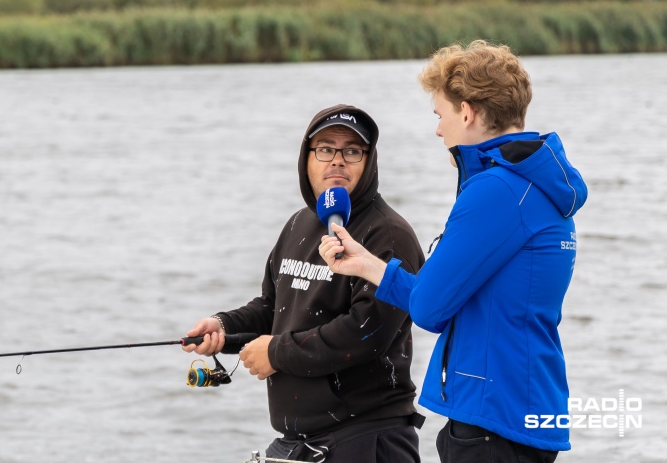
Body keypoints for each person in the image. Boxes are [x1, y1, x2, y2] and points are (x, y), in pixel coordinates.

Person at [319, 40, 587, 462]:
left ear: (467, 112)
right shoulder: (532, 184)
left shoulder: (497, 191)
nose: (438, 130)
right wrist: (367, 265)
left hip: (492, 420)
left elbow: (429, 310)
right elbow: (451, 300)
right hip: (521, 407)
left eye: (440, 115)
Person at [184, 104, 426, 462]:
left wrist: (276, 352)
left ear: (369, 161)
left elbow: (366, 333)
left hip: (367, 437)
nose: (337, 161)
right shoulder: (300, 224)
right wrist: (223, 326)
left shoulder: (388, 234)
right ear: (307, 158)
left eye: (352, 151)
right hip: (297, 443)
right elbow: (273, 308)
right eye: (326, 148)